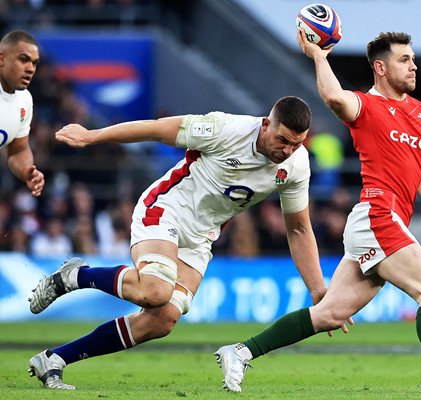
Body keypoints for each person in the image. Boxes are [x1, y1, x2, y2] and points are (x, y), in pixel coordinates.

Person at [214, 31, 421, 394]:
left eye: (413, 58)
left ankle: (240, 352)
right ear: (380, 67)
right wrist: (318, 55)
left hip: (381, 222)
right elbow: (331, 96)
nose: (413, 65)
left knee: (330, 314)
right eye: (404, 59)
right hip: (377, 214)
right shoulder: (366, 106)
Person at [27, 96, 328, 390]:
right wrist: (93, 136)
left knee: (162, 320)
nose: (287, 150)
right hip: (165, 209)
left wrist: (318, 290)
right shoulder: (225, 129)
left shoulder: (296, 166)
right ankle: (76, 276)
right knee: (155, 290)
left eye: (296, 144)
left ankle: (54, 359)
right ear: (266, 124)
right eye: (283, 140)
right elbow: (156, 129)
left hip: (200, 238)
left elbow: (299, 229)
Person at [0, 30, 45, 197]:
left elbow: (17, 149)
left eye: (34, 63)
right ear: (2, 59)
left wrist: (26, 171)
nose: (30, 68)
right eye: (24, 59)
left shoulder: (24, 101)